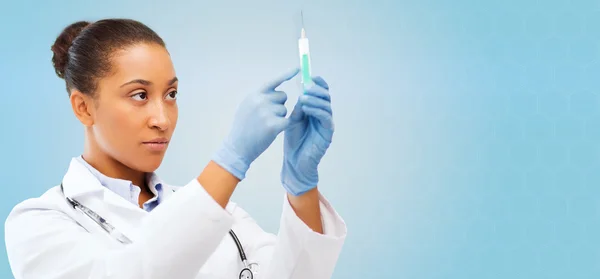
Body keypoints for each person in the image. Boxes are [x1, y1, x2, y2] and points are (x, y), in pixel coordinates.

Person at [4, 18, 346, 279]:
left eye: (171, 95)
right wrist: (230, 162)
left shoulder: (225, 217)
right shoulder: (39, 223)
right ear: (83, 107)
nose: (162, 119)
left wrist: (302, 187)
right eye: (139, 95)